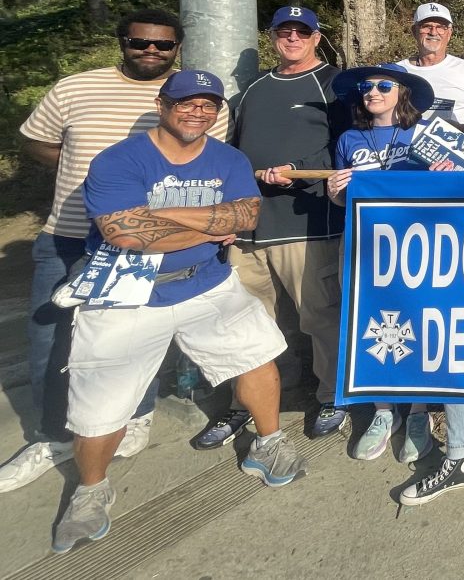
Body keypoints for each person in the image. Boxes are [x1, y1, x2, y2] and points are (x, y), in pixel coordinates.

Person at [52, 70, 304, 553]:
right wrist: (210, 227)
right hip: (126, 293)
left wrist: (159, 217)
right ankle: (90, 490)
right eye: (186, 102)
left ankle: (268, 442)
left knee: (257, 359)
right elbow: (124, 235)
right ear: (163, 103)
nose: (197, 112)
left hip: (207, 282)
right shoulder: (120, 159)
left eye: (208, 105)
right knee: (100, 403)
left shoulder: (228, 157)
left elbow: (245, 215)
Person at [3, 9, 230, 494]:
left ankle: (137, 415)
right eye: (139, 42)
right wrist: (93, 167)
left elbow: (210, 165)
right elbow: (34, 140)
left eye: (162, 45)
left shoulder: (200, 101)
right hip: (68, 232)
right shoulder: (73, 89)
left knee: (135, 336)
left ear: (177, 49)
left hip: (148, 240)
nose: (150, 50)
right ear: (121, 42)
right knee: (50, 337)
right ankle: (52, 437)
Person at [213, 6, 350, 446]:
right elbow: (232, 153)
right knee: (246, 322)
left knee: (320, 317)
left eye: (301, 32)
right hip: (249, 226)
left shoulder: (333, 84)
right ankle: (246, 404)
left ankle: (333, 397)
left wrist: (299, 168)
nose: (292, 39)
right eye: (284, 32)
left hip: (306, 223)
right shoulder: (251, 88)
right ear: (272, 36)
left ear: (316, 37)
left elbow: (346, 148)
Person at [326, 63, 438, 463]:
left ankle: (420, 411)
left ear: (401, 92)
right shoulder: (348, 138)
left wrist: (445, 175)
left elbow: (451, 193)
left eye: (383, 85)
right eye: (366, 87)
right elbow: (342, 201)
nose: (372, 92)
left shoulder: (424, 134)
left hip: (419, 245)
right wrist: (335, 192)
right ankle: (382, 411)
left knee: (422, 321)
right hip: (364, 244)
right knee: (369, 323)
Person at [396, 2, 464, 132]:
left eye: (441, 27)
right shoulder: (398, 71)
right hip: (405, 146)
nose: (433, 32)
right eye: (427, 26)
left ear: (449, 33)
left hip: (454, 146)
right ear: (415, 31)